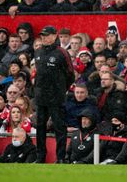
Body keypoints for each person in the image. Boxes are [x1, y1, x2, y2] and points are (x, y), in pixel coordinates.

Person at [34, 25, 74, 163]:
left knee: (59, 128)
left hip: (56, 98)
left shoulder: (62, 53)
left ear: (54, 36)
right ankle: (40, 157)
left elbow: (70, 74)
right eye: (42, 36)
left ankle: (61, 158)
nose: (44, 38)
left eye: (46, 35)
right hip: (40, 98)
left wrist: (61, 89)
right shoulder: (37, 52)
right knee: (40, 128)